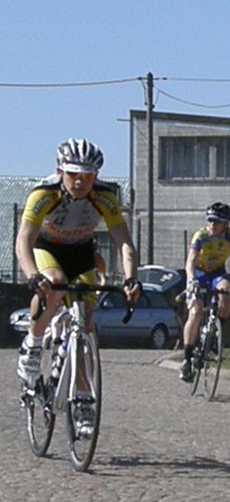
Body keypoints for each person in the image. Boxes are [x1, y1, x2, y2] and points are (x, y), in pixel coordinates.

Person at [15, 138, 142, 437]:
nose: (80, 182)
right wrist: (33, 275)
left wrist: (130, 278)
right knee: (55, 283)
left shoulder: (105, 197)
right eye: (73, 174)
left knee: (86, 324)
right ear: (61, 171)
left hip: (82, 251)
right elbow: (23, 241)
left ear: (96, 176)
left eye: (87, 176)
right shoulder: (43, 194)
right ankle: (32, 346)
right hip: (47, 248)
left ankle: (83, 398)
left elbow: (124, 241)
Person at [179, 202, 230, 382]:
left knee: (227, 293)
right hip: (198, 274)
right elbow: (190, 261)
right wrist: (192, 279)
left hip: (217, 274)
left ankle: (215, 332)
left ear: (226, 224)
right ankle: (186, 358)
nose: (211, 224)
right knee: (195, 312)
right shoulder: (201, 235)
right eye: (209, 220)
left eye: (216, 221)